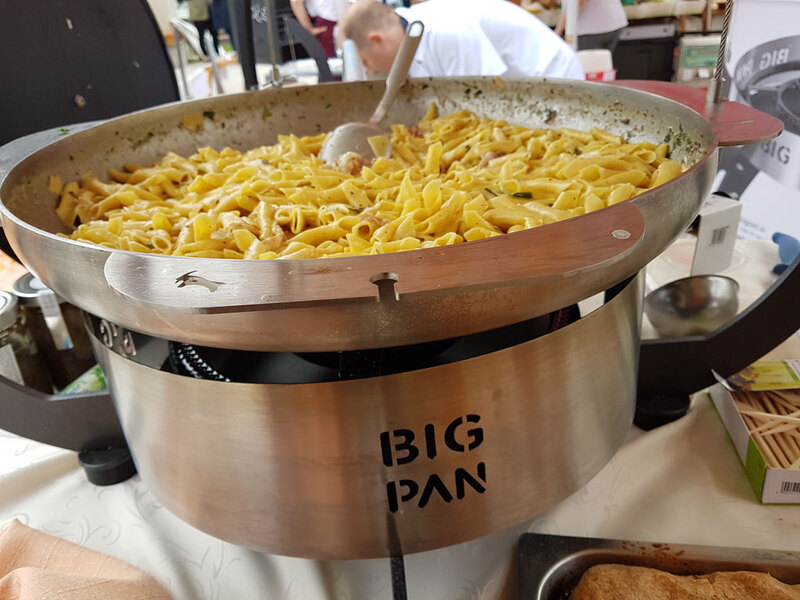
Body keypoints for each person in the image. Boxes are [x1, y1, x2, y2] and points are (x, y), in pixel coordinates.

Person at [338, 0, 584, 79]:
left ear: (377, 40)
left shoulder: (446, 32)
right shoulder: (411, 32)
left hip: (553, 80)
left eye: (366, 62)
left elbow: (483, 99)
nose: (371, 71)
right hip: (522, 89)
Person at [555, 0, 628, 53]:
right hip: (611, 22)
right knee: (600, 65)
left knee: (587, 66)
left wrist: (558, 32)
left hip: (591, 29)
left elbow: (579, 2)